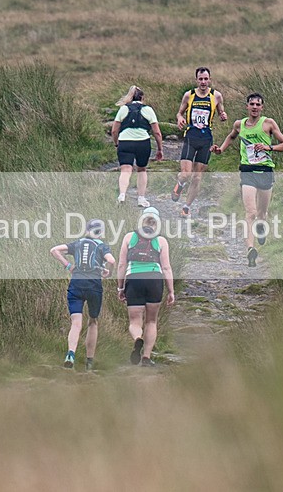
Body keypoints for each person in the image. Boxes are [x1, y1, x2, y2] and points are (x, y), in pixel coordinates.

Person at [211, 92, 283, 267]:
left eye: (258, 105)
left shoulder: (268, 123)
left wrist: (268, 147)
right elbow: (231, 136)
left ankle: (261, 227)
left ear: (262, 107)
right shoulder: (239, 125)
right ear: (247, 106)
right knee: (251, 213)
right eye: (252, 104)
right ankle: (250, 249)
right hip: (247, 171)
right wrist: (221, 150)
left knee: (262, 214)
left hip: (266, 171)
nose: (254, 107)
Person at [50, 218, 116, 371]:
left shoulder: (77, 244)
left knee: (76, 323)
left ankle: (71, 353)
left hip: (76, 284)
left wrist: (69, 266)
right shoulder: (101, 246)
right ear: (101, 232)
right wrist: (108, 272)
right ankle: (89, 361)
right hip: (94, 285)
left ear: (87, 230)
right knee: (93, 322)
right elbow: (111, 261)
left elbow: (54, 250)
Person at [116, 207, 175, 367]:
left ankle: (137, 339)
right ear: (157, 223)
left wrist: (120, 288)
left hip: (134, 279)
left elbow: (122, 265)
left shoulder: (129, 237)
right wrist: (171, 291)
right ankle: (147, 358)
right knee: (151, 321)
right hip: (154, 280)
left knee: (135, 321)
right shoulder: (161, 241)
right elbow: (167, 268)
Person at [172, 67, 228, 217]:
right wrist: (180, 118)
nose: (203, 82)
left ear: (209, 79)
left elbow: (221, 112)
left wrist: (223, 115)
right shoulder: (189, 95)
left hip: (206, 140)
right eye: (200, 79)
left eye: (205, 79)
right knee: (186, 174)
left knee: (197, 177)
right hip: (191, 137)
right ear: (196, 80)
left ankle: (186, 207)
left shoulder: (216, 96)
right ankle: (180, 184)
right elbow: (179, 112)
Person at [111, 85, 164, 208]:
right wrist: (160, 148)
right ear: (142, 98)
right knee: (141, 169)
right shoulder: (148, 110)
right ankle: (141, 198)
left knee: (125, 169)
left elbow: (114, 130)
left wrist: (116, 143)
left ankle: (122, 195)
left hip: (125, 141)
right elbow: (157, 132)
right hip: (142, 142)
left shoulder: (123, 109)